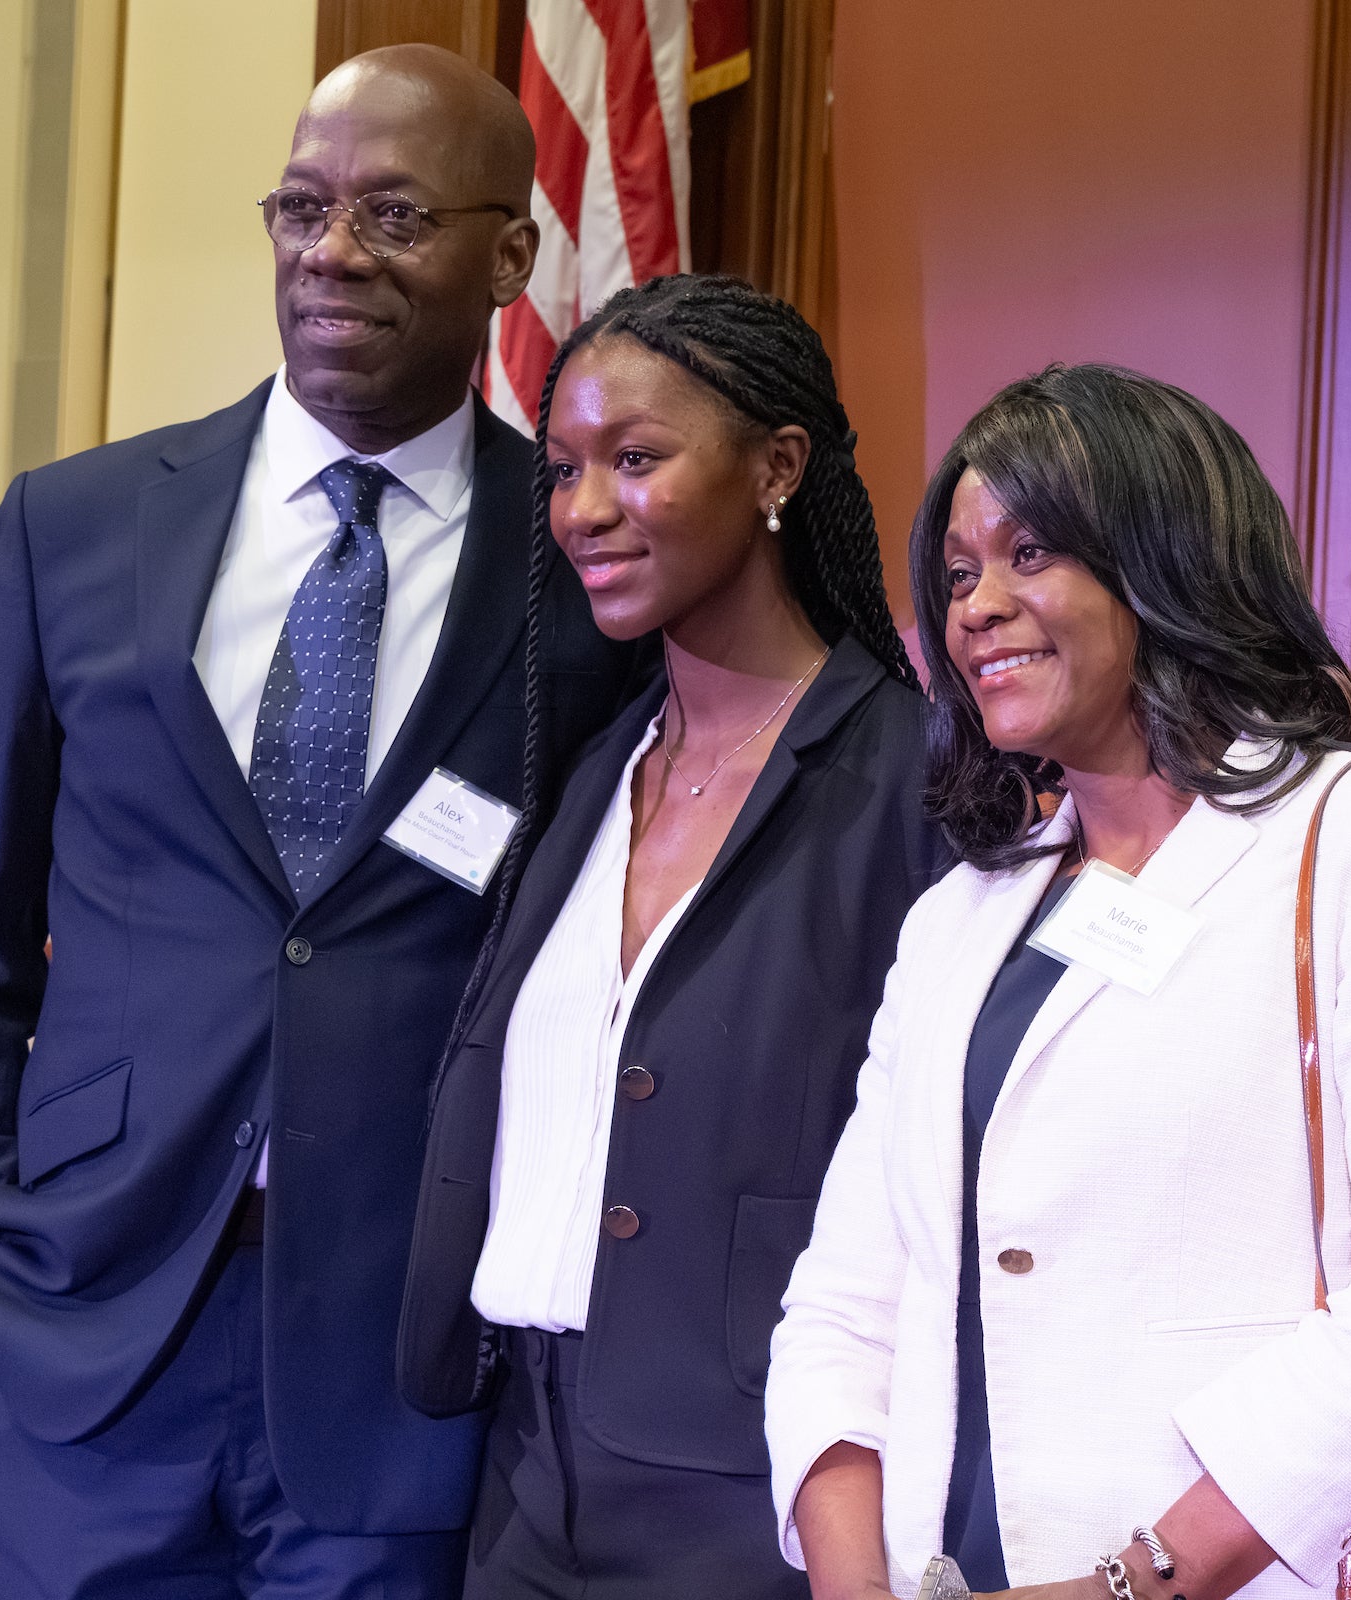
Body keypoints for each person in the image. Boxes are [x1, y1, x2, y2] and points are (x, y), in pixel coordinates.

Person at [0, 47, 639, 1598]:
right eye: (302, 208)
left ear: (512, 256)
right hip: (81, 1350)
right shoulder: (76, 526)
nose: (333, 252)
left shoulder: (580, 568)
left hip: (404, 1366)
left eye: (395, 215)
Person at [766, 365, 1351, 1600]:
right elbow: (848, 1299)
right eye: (958, 574)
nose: (976, 608)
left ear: (1166, 558)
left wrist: (1136, 1584)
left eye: (1028, 554)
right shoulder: (958, 916)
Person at [397, 274, 948, 1598]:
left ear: (778, 467)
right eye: (566, 469)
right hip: (522, 1467)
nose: (583, 508)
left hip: (752, 1482)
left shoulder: (913, 779)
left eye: (636, 460)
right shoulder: (593, 766)